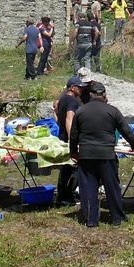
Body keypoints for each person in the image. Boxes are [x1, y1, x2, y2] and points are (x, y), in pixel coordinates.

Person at [68, 80, 134, 227]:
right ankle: (117, 218)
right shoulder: (112, 110)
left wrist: (73, 152)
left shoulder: (81, 111)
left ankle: (91, 220)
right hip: (106, 155)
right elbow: (126, 130)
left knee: (88, 188)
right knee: (112, 187)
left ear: (90, 95)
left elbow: (74, 135)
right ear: (104, 96)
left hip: (86, 155)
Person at [53, 75, 86, 206]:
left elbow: (55, 112)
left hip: (61, 136)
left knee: (65, 167)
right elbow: (69, 120)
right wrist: (72, 139)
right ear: (72, 88)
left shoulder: (62, 99)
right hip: (67, 138)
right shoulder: (73, 102)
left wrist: (59, 125)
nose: (82, 90)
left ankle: (61, 194)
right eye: (80, 87)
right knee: (75, 166)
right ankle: (69, 195)